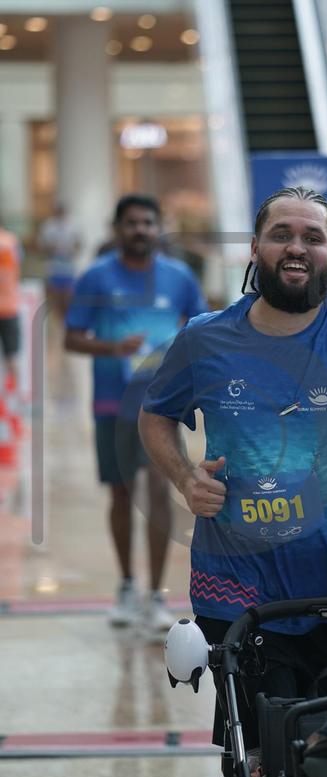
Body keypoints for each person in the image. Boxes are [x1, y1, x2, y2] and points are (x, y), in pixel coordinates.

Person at [138, 186, 327, 756]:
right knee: (260, 761)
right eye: (281, 234)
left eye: (313, 236)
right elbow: (155, 417)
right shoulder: (204, 337)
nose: (296, 247)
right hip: (234, 596)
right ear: (255, 248)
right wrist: (184, 477)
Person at [64, 194, 208, 636]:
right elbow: (72, 338)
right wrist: (114, 348)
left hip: (160, 406)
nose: (141, 230)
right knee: (122, 495)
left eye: (148, 222)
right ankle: (127, 586)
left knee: (160, 493)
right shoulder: (96, 277)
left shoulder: (179, 276)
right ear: (117, 228)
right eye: (132, 223)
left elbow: (203, 330)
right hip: (112, 404)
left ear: (158, 228)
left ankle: (155, 596)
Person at [38, 203, 82, 316]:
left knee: (68, 299)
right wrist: (52, 248)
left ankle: (66, 319)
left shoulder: (73, 226)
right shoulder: (48, 226)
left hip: (69, 268)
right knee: (55, 299)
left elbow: (79, 245)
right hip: (54, 268)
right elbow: (41, 247)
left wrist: (70, 249)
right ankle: (57, 320)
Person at [0, 219, 22, 385]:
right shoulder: (12, 241)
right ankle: (13, 394)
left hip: (8, 305)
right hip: (9, 306)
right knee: (11, 356)